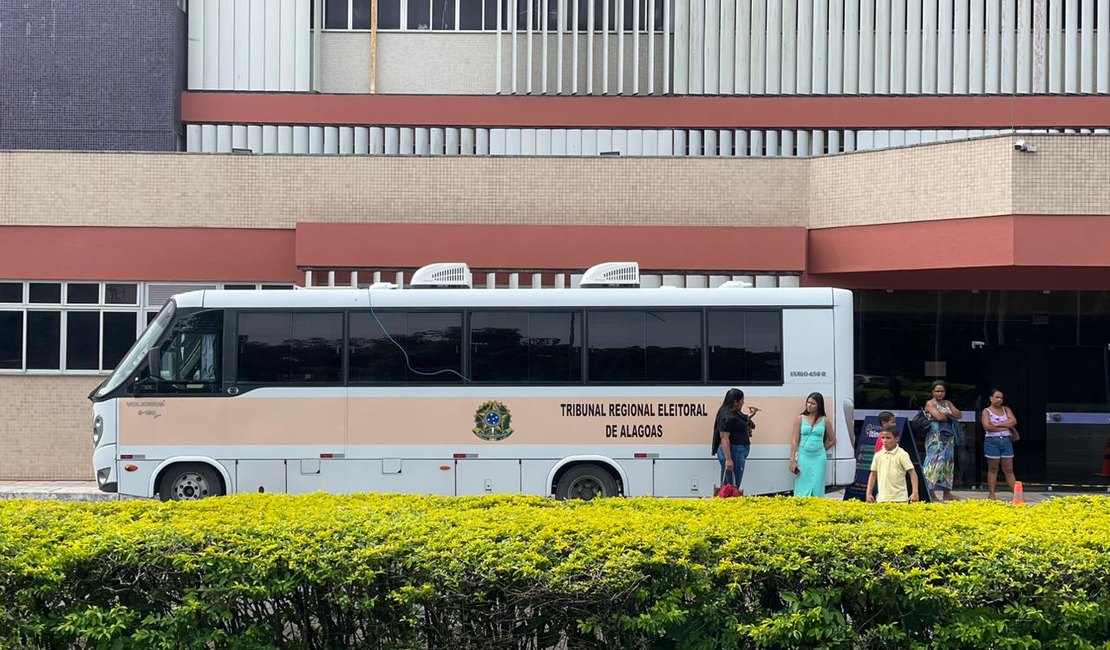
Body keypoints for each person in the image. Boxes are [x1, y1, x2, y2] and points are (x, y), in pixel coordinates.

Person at [711, 388, 760, 492]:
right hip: (734, 451)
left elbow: (740, 420)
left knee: (728, 485)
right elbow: (724, 437)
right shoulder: (727, 415)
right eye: (742, 400)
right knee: (733, 485)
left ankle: (726, 503)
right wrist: (728, 459)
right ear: (735, 402)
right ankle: (730, 504)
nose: (743, 403)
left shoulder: (734, 412)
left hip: (737, 450)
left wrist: (751, 415)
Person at [866, 411, 920, 503]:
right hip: (882, 499)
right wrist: (868, 493)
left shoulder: (902, 454)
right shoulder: (878, 455)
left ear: (896, 439)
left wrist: (915, 492)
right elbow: (873, 474)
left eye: (888, 438)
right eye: (883, 438)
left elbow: (912, 473)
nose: (885, 441)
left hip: (900, 499)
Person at [788, 392, 835, 497]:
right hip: (803, 456)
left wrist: (821, 449)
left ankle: (817, 509)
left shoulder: (825, 420)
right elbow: (795, 440)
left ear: (819, 405)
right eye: (808, 402)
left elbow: (833, 440)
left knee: (817, 485)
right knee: (802, 484)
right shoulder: (800, 418)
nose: (809, 405)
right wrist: (792, 460)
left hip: (819, 457)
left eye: (812, 403)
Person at [923, 380, 963, 502]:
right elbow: (939, 417)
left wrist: (947, 413)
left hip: (948, 437)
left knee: (947, 463)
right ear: (933, 392)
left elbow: (959, 414)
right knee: (933, 463)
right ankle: (931, 493)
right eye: (937, 391)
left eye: (942, 391)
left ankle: (947, 493)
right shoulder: (930, 403)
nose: (940, 393)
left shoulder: (947, 402)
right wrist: (949, 414)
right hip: (935, 437)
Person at [980, 388, 1019, 500]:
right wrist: (1006, 425)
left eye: (1001, 397)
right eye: (997, 397)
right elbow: (987, 427)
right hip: (992, 441)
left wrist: (996, 425)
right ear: (991, 398)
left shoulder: (1006, 409)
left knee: (1009, 468)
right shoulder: (986, 411)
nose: (999, 399)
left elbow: (1013, 421)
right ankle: (991, 494)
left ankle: (1015, 494)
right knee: (993, 467)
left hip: (1006, 440)